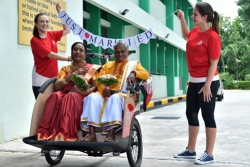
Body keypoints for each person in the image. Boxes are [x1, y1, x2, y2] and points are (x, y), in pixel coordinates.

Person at [173, 2, 221, 165]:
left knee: (208, 116)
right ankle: (191, 151)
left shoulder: (212, 36)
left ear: (204, 17)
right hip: (194, 81)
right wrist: (182, 20)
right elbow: (187, 36)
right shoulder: (195, 31)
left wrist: (207, 85)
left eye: (195, 15)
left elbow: (213, 64)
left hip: (208, 82)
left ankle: (209, 153)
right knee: (191, 114)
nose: (192, 17)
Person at [80, 41, 149, 142]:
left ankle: (111, 134)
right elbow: (99, 79)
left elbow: (145, 74)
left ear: (128, 53)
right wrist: (104, 90)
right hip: (105, 94)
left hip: (123, 94)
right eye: (117, 52)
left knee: (114, 98)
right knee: (92, 97)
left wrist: (134, 73)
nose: (120, 54)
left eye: (122, 51)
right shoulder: (108, 65)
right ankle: (92, 134)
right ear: (114, 53)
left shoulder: (134, 64)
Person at [36, 42, 101, 141]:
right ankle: (44, 132)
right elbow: (57, 87)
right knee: (55, 96)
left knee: (70, 97)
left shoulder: (92, 68)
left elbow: (96, 87)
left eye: (81, 50)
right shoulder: (65, 69)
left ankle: (65, 133)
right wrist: (73, 75)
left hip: (82, 96)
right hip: (66, 93)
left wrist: (84, 91)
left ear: (85, 54)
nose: (78, 52)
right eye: (75, 49)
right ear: (71, 52)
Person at [31, 3, 71, 99]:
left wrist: (60, 13)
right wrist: (70, 58)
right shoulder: (35, 40)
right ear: (36, 24)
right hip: (41, 78)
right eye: (41, 21)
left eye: (47, 21)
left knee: (51, 107)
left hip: (54, 77)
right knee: (41, 108)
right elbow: (51, 54)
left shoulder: (51, 35)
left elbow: (68, 29)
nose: (45, 24)